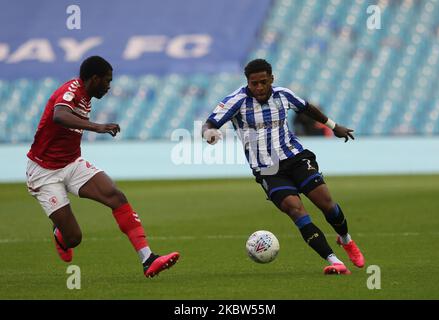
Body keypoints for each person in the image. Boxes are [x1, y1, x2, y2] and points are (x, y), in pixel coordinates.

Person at [202, 59, 364, 275]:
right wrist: (209, 133)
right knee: (296, 210)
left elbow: (307, 109)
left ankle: (346, 240)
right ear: (247, 82)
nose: (259, 87)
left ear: (271, 79)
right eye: (254, 83)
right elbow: (210, 123)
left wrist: (334, 127)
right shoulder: (235, 101)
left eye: (263, 82)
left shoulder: (283, 95)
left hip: (295, 157)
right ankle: (335, 261)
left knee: (326, 204)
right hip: (267, 169)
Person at [26, 56, 179, 278]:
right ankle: (61, 233)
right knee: (74, 238)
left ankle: (148, 259)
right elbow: (59, 116)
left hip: (71, 163)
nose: (109, 86)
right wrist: (96, 127)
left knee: (115, 196)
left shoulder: (86, 96)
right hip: (44, 171)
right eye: (107, 81)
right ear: (94, 79)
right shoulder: (71, 91)